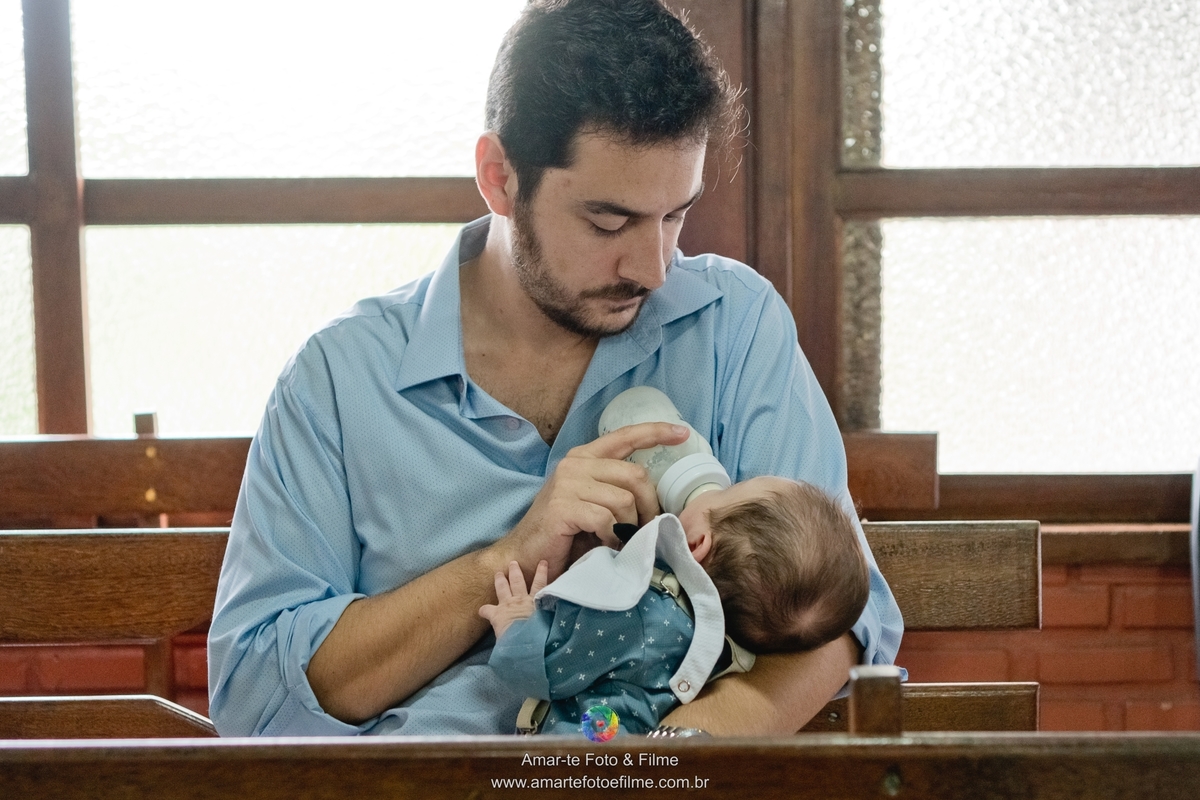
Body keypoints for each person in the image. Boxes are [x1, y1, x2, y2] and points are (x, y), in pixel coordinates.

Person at [207, 0, 903, 737]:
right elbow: (257, 698)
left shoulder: (735, 326)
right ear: (499, 177)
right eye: (609, 222)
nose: (654, 267)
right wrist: (502, 560)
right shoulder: (339, 380)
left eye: (675, 216)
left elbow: (834, 623)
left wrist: (656, 769)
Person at [482, 476, 870, 735]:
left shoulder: (640, 613)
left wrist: (518, 625)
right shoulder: (724, 651)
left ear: (699, 543)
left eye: (725, 491)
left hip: (580, 760)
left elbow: (549, 669)